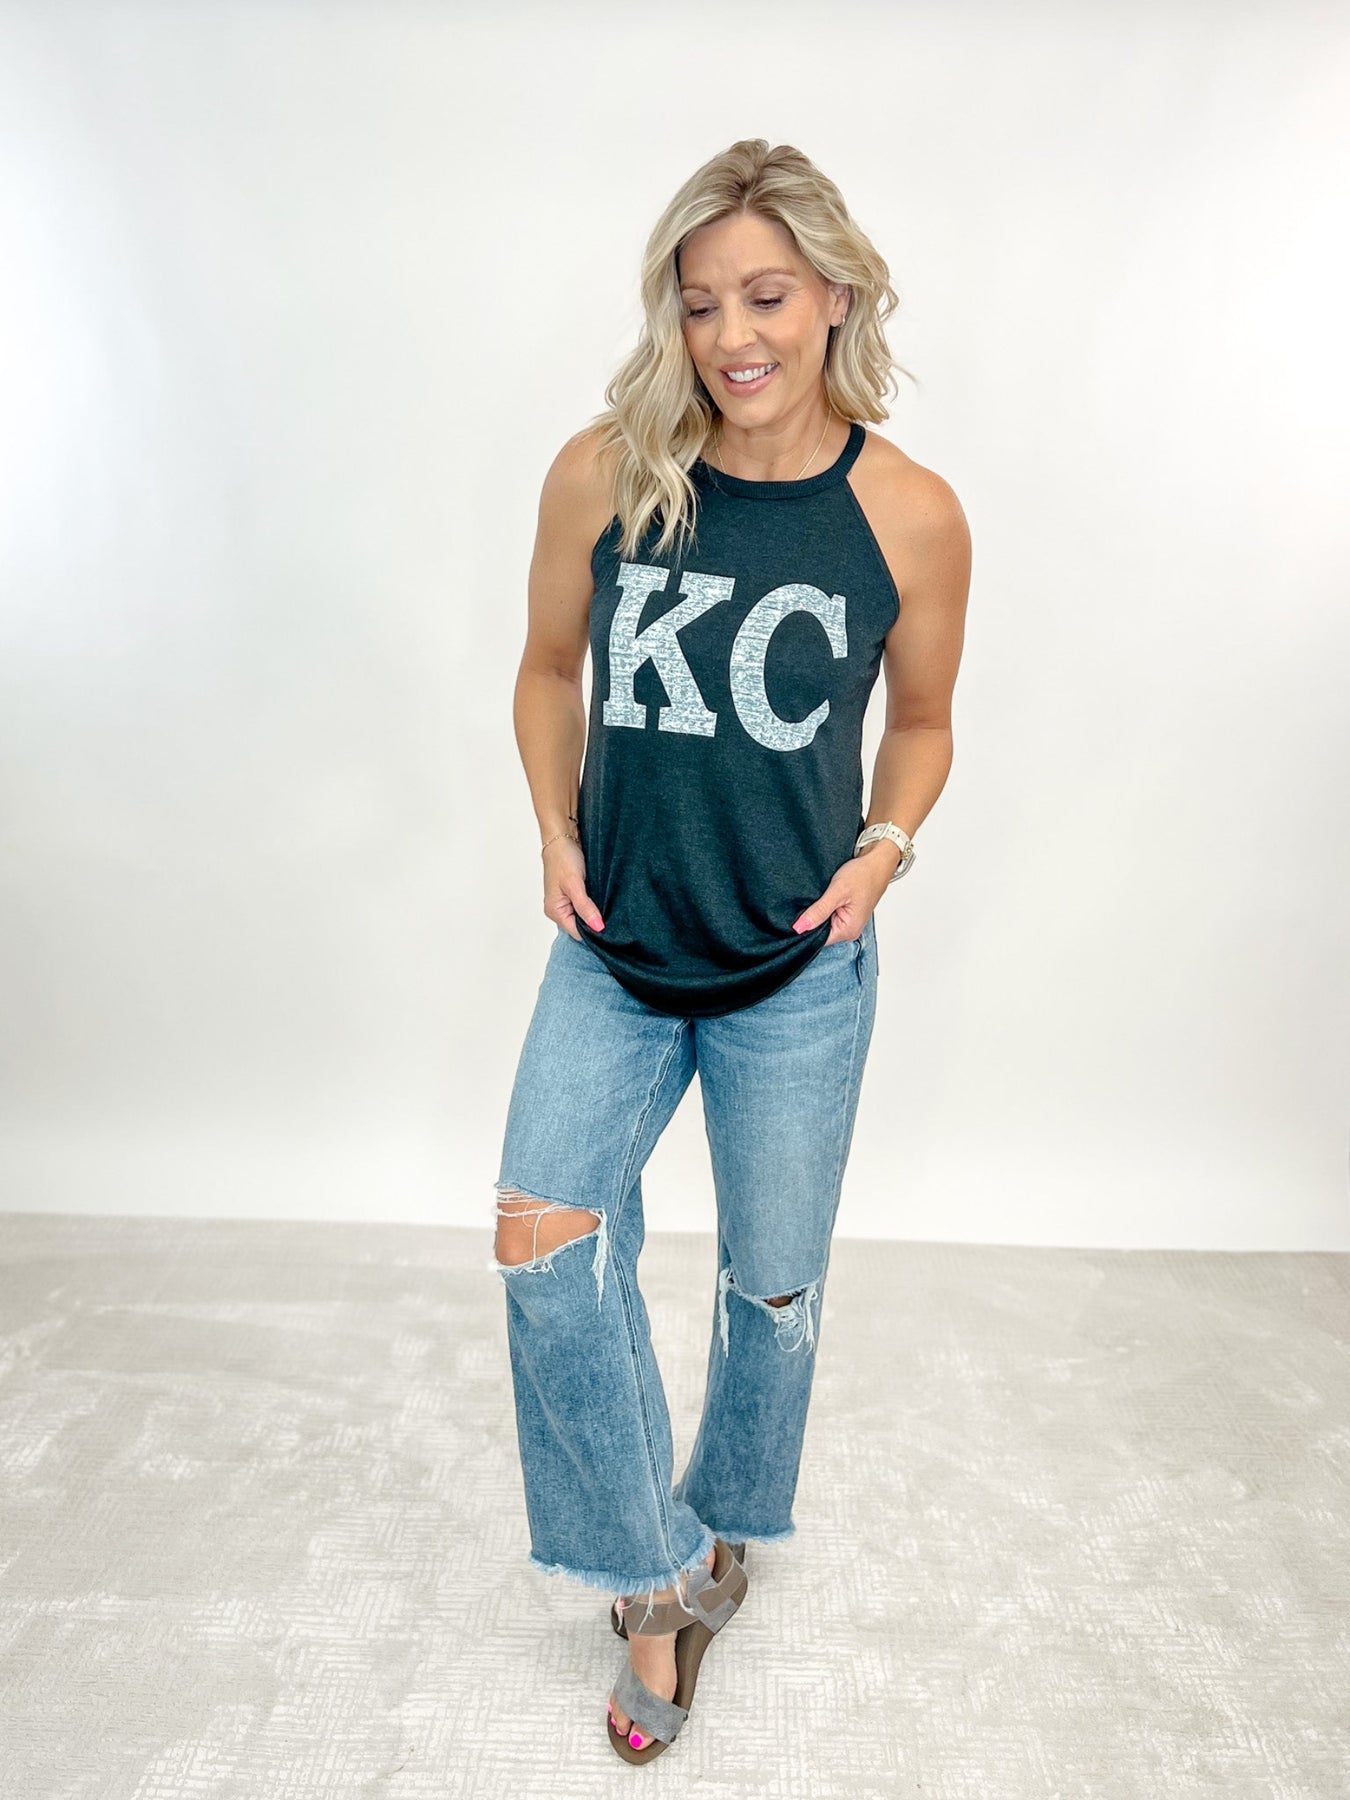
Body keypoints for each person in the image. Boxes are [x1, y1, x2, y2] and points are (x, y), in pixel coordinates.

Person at [488, 137, 971, 1764]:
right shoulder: (605, 472)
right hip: (613, 948)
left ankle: (728, 1536)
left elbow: (924, 720)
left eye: (764, 296)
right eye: (698, 304)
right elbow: (546, 669)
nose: (729, 335)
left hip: (794, 970)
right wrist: (553, 829)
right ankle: (651, 1580)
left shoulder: (909, 514)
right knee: (547, 1247)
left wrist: (883, 853)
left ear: (835, 294)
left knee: (768, 1291)